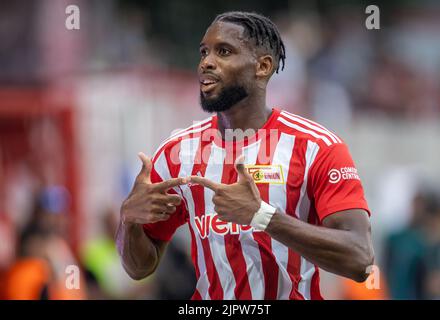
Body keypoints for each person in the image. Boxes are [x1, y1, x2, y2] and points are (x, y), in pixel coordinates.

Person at [116, 11, 374, 300]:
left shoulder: (318, 147)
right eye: (204, 52)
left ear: (262, 66)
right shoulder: (176, 154)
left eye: (223, 51)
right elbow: (139, 268)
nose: (206, 63)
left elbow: (360, 259)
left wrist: (262, 216)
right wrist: (129, 221)